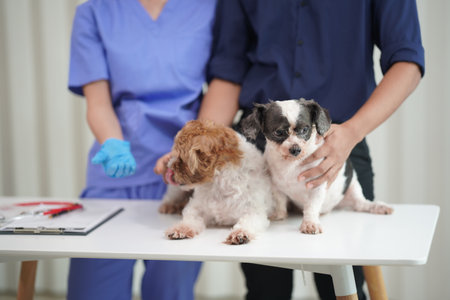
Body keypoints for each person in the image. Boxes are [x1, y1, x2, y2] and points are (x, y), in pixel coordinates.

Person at [194, 0, 425, 299]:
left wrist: (352, 132)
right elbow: (229, 70)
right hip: (258, 153)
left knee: (342, 288)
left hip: (339, 142)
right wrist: (198, 147)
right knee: (266, 290)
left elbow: (407, 61)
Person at [67, 0, 217, 299]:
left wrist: (194, 150)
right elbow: (98, 102)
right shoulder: (95, 12)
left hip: (181, 178)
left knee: (169, 291)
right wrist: (112, 142)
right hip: (116, 171)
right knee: (93, 291)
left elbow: (225, 85)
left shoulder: (211, 8)